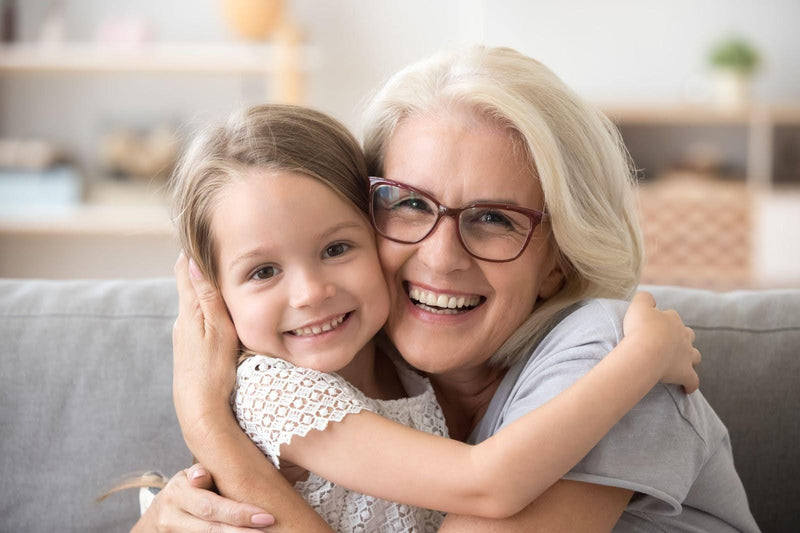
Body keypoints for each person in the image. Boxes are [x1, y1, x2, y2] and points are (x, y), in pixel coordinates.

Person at [138, 46, 758, 532]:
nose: (439, 257)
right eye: (409, 203)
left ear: (558, 262)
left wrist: (210, 429)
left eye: (494, 218)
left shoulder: (603, 354)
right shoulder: (339, 365)